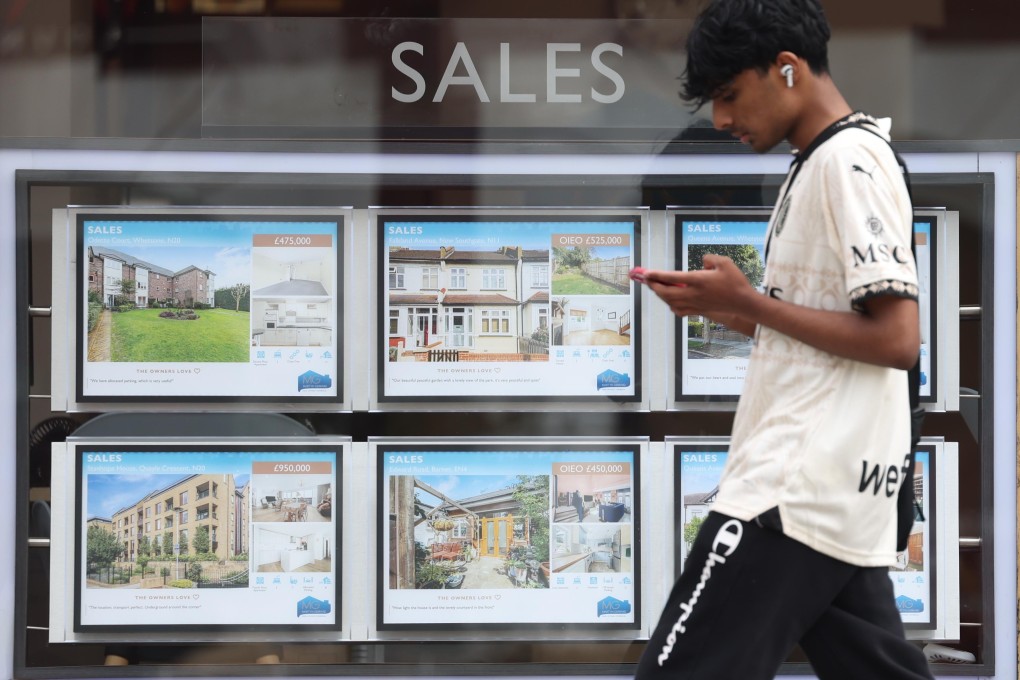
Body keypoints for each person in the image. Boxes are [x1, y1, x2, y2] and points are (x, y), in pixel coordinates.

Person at [634, 1, 933, 679]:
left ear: (788, 70)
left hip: (788, 492)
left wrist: (752, 307)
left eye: (730, 94)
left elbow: (896, 338)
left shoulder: (845, 162)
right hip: (836, 496)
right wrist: (738, 311)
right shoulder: (826, 160)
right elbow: (845, 331)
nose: (721, 120)